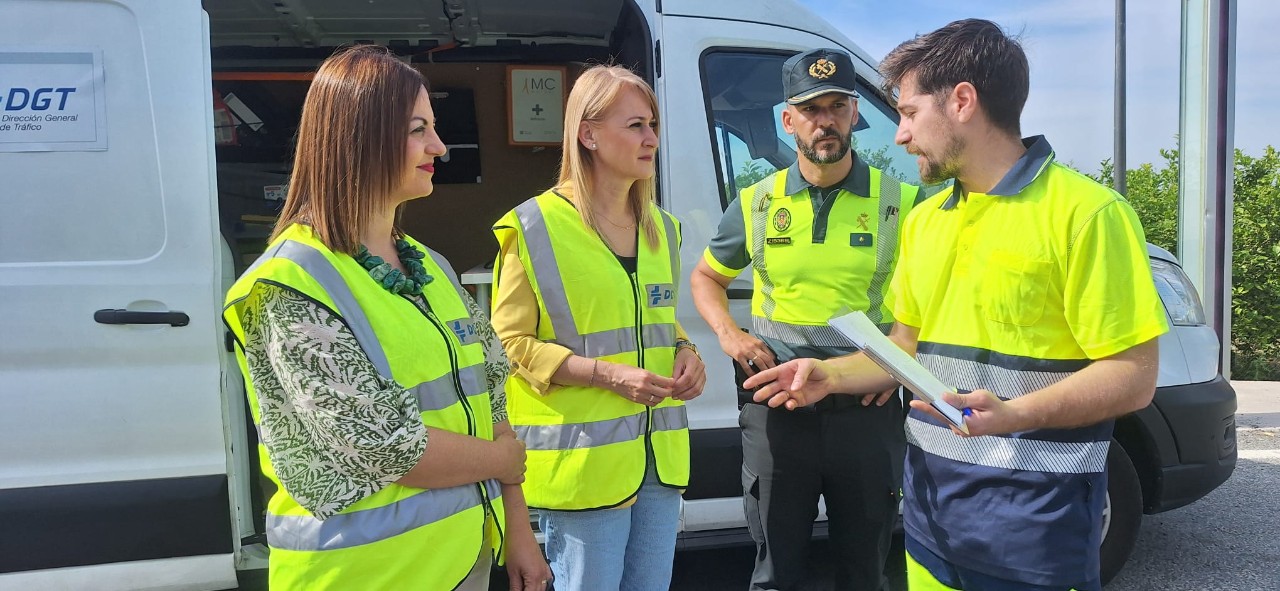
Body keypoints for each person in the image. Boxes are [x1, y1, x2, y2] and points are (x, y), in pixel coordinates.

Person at [745, 19, 1169, 591]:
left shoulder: (1088, 214)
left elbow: (1133, 377)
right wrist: (829, 375)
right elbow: (904, 349)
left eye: (909, 113)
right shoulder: (924, 221)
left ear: (962, 102)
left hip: (1035, 524)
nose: (899, 135)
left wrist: (1016, 415)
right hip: (930, 517)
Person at [222, 45, 550, 591]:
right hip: (362, 573)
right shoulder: (289, 282)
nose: (439, 147)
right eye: (418, 130)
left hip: (458, 559)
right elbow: (385, 444)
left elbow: (490, 393)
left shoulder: (430, 265)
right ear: (360, 138)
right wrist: (502, 461)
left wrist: (518, 530)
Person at [689, 48, 922, 591]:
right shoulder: (756, 203)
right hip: (778, 410)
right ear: (788, 120)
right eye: (811, 109)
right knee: (777, 572)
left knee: (865, 572)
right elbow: (705, 278)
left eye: (837, 106)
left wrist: (898, 365)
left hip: (865, 412)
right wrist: (730, 334)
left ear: (855, 114)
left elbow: (931, 302)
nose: (826, 121)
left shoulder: (904, 204)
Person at [490, 64, 706, 591]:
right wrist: (605, 375)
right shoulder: (534, 226)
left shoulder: (662, 228)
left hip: (658, 461)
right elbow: (509, 344)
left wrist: (686, 350)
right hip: (584, 467)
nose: (651, 138)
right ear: (587, 134)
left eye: (653, 125)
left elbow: (654, 318)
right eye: (635, 125)